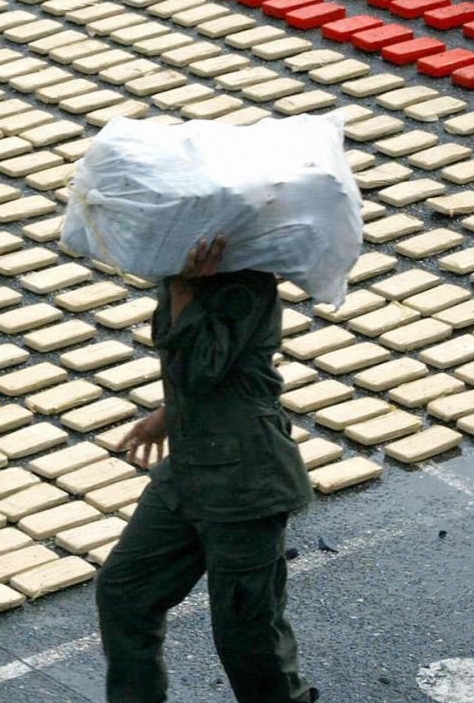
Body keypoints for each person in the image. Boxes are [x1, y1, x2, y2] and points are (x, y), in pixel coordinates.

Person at [96, 236, 319, 703]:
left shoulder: (245, 285)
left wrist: (182, 289)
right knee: (125, 593)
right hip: (188, 470)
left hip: (245, 482)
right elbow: (192, 369)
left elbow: (202, 366)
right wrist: (167, 413)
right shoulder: (186, 276)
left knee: (247, 634)